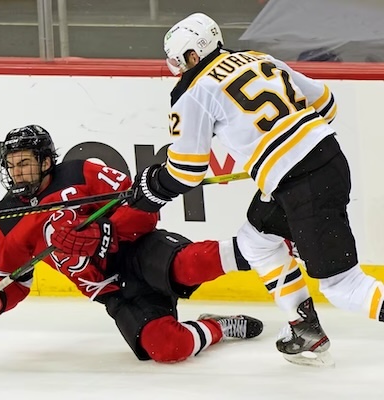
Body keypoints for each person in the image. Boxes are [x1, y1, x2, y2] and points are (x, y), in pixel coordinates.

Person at [128, 12, 384, 366]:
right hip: (324, 161)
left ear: (192, 55)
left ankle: (308, 328)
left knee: (343, 287)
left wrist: (150, 188)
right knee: (255, 241)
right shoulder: (258, 58)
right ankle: (305, 330)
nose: (176, 68)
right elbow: (326, 104)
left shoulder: (194, 90)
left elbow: (187, 170)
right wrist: (282, 146)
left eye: (178, 60)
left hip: (301, 183)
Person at [0, 124, 263, 363]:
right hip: (112, 291)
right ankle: (220, 326)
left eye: (25, 163)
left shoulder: (80, 173)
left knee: (192, 264)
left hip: (135, 251)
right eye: (12, 165)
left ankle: (265, 246)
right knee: (168, 348)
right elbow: (13, 281)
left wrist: (103, 233)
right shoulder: (4, 221)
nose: (17, 172)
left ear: (46, 161)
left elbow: (146, 210)